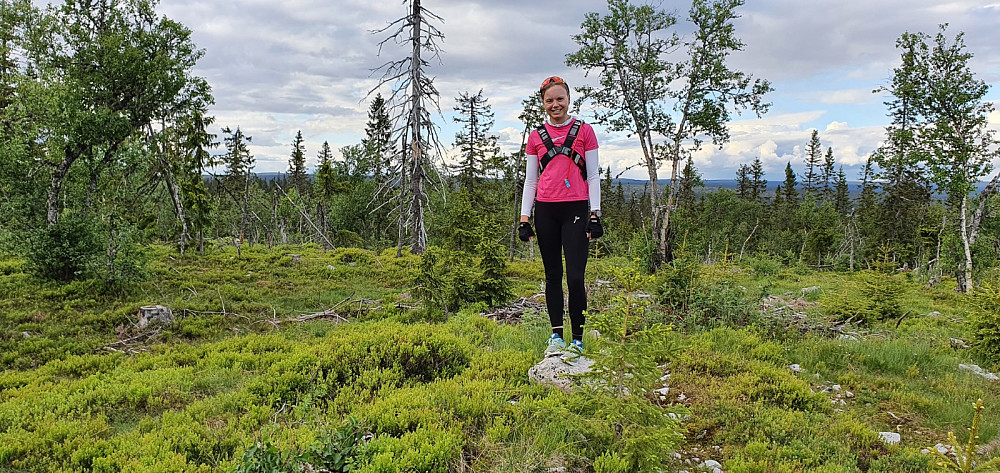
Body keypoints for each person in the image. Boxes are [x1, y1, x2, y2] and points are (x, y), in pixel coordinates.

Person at [517, 76, 603, 354]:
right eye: (549, 100)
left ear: (568, 99)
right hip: (546, 210)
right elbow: (530, 181)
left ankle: (577, 339)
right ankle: (556, 337)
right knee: (552, 275)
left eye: (559, 99)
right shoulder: (536, 136)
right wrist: (524, 219)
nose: (555, 105)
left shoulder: (584, 131)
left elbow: (593, 176)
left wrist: (595, 214)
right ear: (543, 103)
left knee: (576, 277)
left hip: (576, 208)